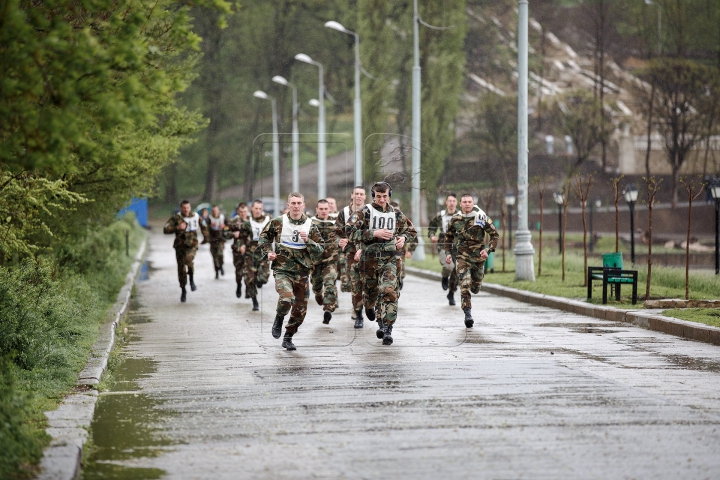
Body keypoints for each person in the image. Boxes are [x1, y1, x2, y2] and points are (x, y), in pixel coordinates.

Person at [348, 182, 417, 345]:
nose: (381, 200)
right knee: (371, 294)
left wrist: (404, 238)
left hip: (390, 259)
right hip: (369, 260)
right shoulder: (364, 212)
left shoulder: (396, 213)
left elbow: (412, 230)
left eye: (384, 196)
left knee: (388, 291)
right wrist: (373, 233)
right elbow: (350, 232)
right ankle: (369, 306)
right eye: (378, 196)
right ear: (373, 196)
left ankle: (387, 328)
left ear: (389, 195)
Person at [259, 193, 324, 350]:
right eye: (293, 203)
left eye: (299, 203)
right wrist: (267, 253)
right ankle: (279, 318)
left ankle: (288, 336)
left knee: (300, 310)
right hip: (282, 269)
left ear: (303, 205)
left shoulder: (310, 226)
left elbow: (320, 250)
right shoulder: (278, 222)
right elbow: (263, 238)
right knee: (287, 297)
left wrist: (308, 241)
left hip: (302, 273)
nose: (296, 206)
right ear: (288, 205)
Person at [443, 194, 499, 328]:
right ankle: (467, 314)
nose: (467, 204)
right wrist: (448, 253)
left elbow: (494, 235)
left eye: (469, 202)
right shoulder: (455, 219)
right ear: (460, 204)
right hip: (462, 257)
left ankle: (474, 287)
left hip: (478, 258)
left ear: (473, 203)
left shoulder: (480, 217)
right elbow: (448, 237)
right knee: (465, 285)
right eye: (464, 202)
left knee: (475, 288)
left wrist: (488, 250)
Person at [163, 200, 209, 302]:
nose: (186, 210)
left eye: (188, 208)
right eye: (184, 208)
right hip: (180, 246)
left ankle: (191, 280)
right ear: (181, 208)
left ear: (190, 207)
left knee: (189, 260)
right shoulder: (176, 218)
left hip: (192, 245)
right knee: (181, 269)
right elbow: (165, 229)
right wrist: (177, 227)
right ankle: (183, 290)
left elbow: (204, 226)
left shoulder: (196, 216)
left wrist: (206, 238)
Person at [335, 186, 367, 328]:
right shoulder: (344, 212)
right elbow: (336, 232)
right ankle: (359, 313)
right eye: (356, 194)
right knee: (355, 283)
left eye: (361, 194)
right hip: (352, 253)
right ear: (352, 195)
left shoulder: (371, 211)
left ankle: (370, 307)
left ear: (365, 196)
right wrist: (340, 240)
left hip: (368, 252)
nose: (358, 196)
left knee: (370, 284)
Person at [428, 193, 460, 305]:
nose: (451, 203)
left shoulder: (461, 216)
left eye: (453, 201)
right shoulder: (440, 215)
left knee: (456, 271)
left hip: (457, 247)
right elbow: (432, 226)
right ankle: (445, 276)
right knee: (448, 266)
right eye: (449, 201)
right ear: (446, 202)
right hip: (443, 245)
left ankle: (451, 293)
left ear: (456, 203)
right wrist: (432, 235)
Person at [310, 199, 339, 323]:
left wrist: (343, 241)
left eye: (326, 209)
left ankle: (328, 309)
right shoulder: (310, 222)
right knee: (316, 285)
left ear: (329, 209)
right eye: (321, 209)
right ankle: (318, 294)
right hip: (315, 261)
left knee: (330, 281)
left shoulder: (335, 221)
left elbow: (346, 233)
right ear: (316, 209)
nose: (323, 211)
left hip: (331, 260)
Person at [390, 200, 417, 291]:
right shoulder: (386, 221)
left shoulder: (403, 221)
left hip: (400, 253)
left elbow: (414, 236)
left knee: (400, 272)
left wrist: (410, 250)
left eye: (398, 210)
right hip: (386, 253)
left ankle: (399, 281)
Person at [226, 203, 250, 298]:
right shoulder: (233, 221)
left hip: (249, 249)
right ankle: (239, 285)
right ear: (238, 211)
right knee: (239, 270)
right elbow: (225, 234)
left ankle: (248, 289)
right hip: (237, 250)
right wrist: (232, 234)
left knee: (248, 270)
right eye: (241, 212)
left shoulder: (251, 220)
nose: (243, 214)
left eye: (245, 212)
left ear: (247, 211)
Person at [207, 205, 226, 279]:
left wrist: (224, 226)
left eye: (216, 210)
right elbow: (205, 228)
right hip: (212, 240)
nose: (215, 212)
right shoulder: (209, 218)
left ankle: (221, 265)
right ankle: (217, 272)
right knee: (215, 257)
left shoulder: (222, 217)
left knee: (220, 254)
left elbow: (229, 226)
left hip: (220, 240)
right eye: (213, 211)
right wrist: (210, 226)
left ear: (218, 210)